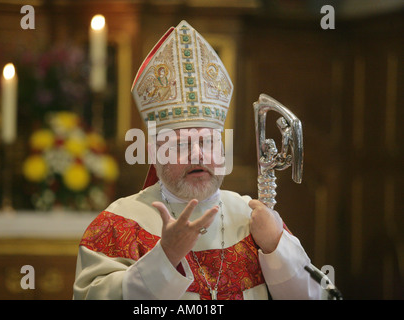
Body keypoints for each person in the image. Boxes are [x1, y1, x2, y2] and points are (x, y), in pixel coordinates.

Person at [73, 20, 323, 300]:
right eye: (180, 144)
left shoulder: (252, 218)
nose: (198, 154)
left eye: (208, 142)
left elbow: (315, 297)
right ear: (154, 154)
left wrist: (276, 248)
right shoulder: (118, 224)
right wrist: (165, 258)